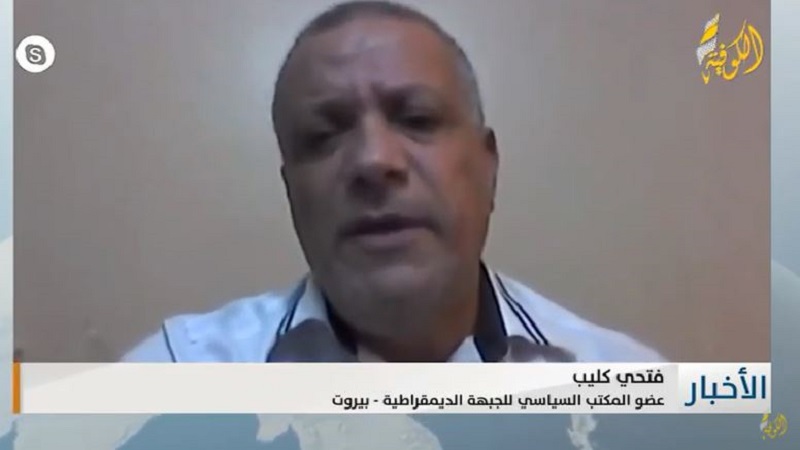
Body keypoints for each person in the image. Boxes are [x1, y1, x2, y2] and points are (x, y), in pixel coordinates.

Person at [123, 0, 664, 363]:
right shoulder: (174, 382)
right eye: (323, 135)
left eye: (417, 119)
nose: (374, 160)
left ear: (488, 166)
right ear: (292, 193)